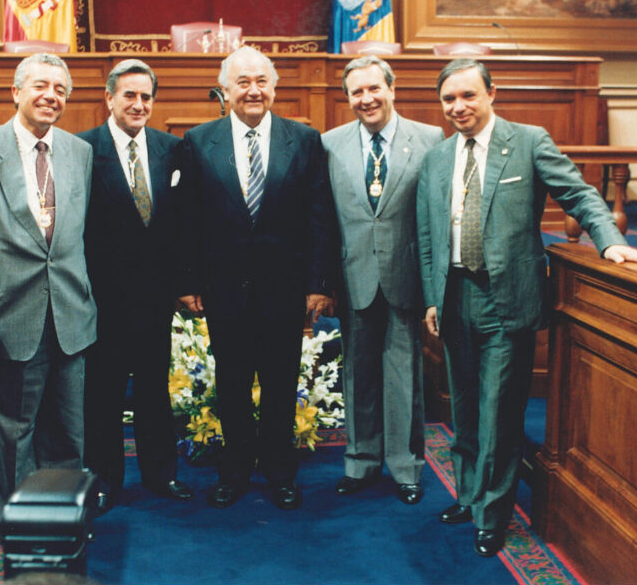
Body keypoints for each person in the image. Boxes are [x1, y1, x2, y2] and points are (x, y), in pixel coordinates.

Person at [416, 58, 637, 557]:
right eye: (448, 99)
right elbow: (428, 236)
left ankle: (492, 514)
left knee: (500, 410)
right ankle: (469, 492)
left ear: (491, 93)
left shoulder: (528, 141)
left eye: (468, 96)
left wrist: (609, 242)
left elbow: (581, 195)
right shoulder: (438, 158)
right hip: (454, 296)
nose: (458, 107)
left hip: (507, 300)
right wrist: (432, 298)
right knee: (464, 404)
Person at [176, 46, 337, 511]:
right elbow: (188, 219)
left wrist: (318, 284)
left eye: (261, 81)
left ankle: (281, 473)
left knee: (281, 386)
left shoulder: (303, 141)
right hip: (223, 292)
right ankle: (234, 471)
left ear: (274, 87)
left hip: (284, 292)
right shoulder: (198, 141)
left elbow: (319, 217)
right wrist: (188, 282)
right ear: (225, 90)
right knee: (230, 386)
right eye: (242, 82)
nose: (253, 90)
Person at [0, 53, 97, 525]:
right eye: (41, 86)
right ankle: (18, 526)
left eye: (61, 90)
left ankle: (62, 520)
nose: (52, 96)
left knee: (70, 429)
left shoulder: (79, 152)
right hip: (11, 312)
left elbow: (75, 233)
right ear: (16, 92)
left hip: (71, 310)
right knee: (15, 430)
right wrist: (0, 282)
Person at [322, 56, 443, 505]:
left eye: (374, 89)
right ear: (348, 97)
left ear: (393, 88)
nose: (366, 99)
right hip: (353, 277)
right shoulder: (330, 144)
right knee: (357, 375)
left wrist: (433, 286)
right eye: (356, 92)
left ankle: (406, 466)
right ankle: (360, 461)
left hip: (404, 276)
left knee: (403, 374)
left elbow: (433, 215)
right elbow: (325, 219)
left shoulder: (429, 139)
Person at [77, 59, 193, 513]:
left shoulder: (172, 150)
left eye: (146, 96)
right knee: (103, 393)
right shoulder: (84, 150)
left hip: (156, 298)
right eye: (129, 95)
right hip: (103, 297)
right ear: (109, 98)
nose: (139, 104)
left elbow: (183, 223)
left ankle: (161, 475)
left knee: (153, 389)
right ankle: (105, 480)